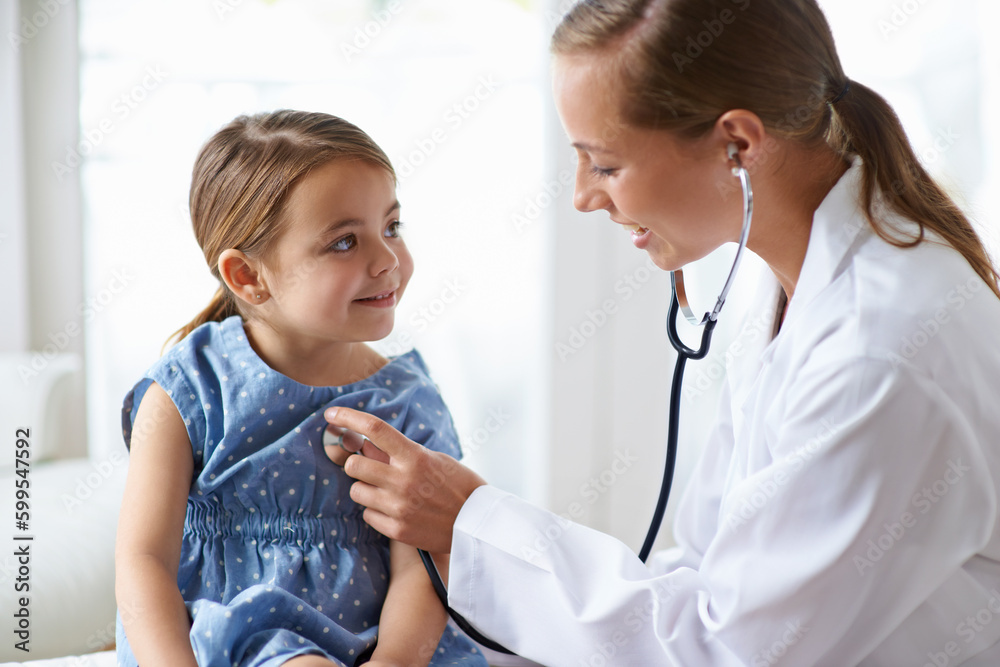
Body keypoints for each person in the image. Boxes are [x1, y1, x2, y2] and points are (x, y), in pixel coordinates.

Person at [324, 0, 1000, 664]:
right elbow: (713, 581)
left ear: (738, 145)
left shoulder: (878, 352)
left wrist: (472, 519)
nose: (584, 196)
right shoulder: (801, 290)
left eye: (606, 164)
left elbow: (727, 649)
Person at [114, 110, 488, 667]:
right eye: (344, 243)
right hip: (238, 632)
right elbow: (142, 558)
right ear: (248, 276)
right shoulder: (189, 388)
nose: (388, 261)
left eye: (391, 227)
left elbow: (425, 564)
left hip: (386, 643)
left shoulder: (404, 399)